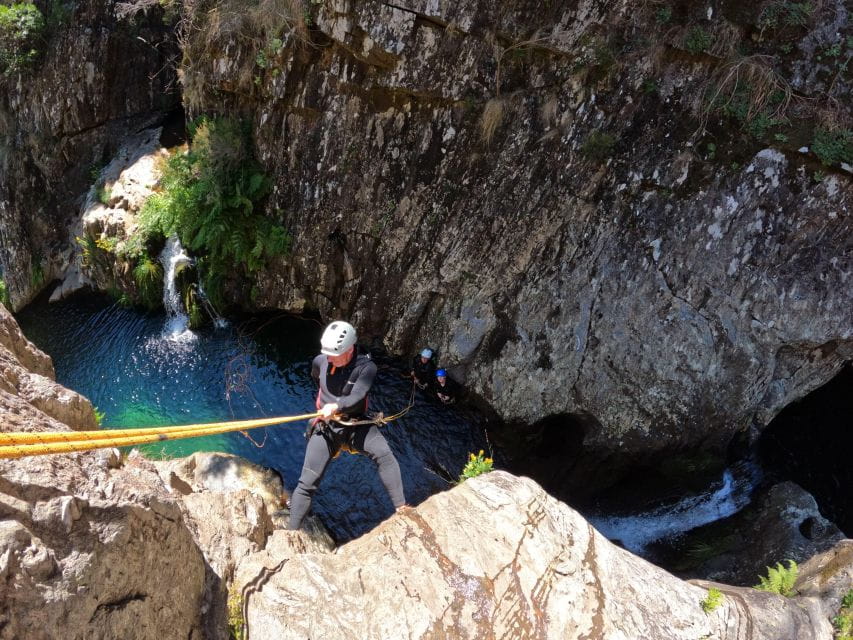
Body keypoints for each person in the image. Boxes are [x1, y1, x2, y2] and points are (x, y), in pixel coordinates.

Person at [288, 320, 407, 530]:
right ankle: (290, 533)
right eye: (327, 355)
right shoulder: (321, 361)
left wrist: (337, 406)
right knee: (306, 484)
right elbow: (317, 378)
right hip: (326, 426)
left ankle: (403, 509)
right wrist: (327, 407)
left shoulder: (366, 368)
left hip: (355, 423)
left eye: (334, 354)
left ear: (349, 348)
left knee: (385, 455)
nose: (330, 359)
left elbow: (359, 394)